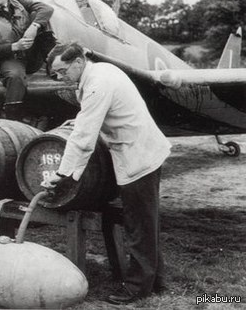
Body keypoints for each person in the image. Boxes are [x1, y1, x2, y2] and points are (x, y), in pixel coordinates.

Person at [43, 42, 171, 305]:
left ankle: (137, 289)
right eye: (56, 73)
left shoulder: (97, 83)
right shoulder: (98, 72)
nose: (60, 77)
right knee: (144, 222)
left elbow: (83, 139)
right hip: (139, 149)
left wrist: (63, 174)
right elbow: (93, 114)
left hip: (139, 156)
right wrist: (78, 120)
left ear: (78, 62)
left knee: (139, 224)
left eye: (62, 71)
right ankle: (156, 281)